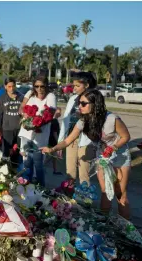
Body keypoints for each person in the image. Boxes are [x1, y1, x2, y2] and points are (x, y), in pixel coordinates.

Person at [41, 89, 131, 219]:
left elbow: (126, 136)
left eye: (83, 103)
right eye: (79, 103)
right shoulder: (83, 121)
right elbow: (68, 140)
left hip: (120, 157)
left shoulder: (112, 119)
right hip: (103, 158)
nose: (80, 106)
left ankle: (127, 229)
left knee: (120, 194)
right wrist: (52, 149)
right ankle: (106, 226)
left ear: (95, 104)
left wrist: (113, 147)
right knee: (105, 193)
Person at [58, 72, 97, 184]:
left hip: (86, 141)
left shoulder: (94, 99)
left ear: (87, 85)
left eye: (77, 86)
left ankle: (84, 200)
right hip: (71, 140)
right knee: (70, 173)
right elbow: (66, 121)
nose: (74, 88)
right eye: (73, 85)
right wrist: (61, 142)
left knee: (84, 175)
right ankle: (68, 200)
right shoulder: (72, 99)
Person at [19, 75, 57, 187]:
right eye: (36, 86)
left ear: (46, 86)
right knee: (26, 163)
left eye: (42, 86)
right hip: (26, 133)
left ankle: (41, 189)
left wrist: (36, 124)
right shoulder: (29, 93)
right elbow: (21, 107)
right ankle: (26, 187)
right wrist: (23, 114)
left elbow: (50, 114)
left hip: (40, 136)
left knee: (38, 164)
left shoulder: (50, 96)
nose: (39, 89)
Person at [0, 77, 24, 169]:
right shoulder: (2, 99)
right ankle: (5, 170)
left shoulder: (21, 97)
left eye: (13, 86)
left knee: (17, 151)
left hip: (19, 128)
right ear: (5, 87)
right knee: (6, 151)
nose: (11, 88)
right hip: (7, 128)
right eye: (9, 86)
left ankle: (16, 170)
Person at [46, 107, 62, 175]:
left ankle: (55, 170)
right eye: (58, 112)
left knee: (54, 157)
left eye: (60, 112)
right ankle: (53, 170)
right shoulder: (55, 121)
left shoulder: (53, 120)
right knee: (51, 156)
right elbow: (55, 133)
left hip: (51, 140)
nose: (59, 113)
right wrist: (58, 142)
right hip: (53, 141)